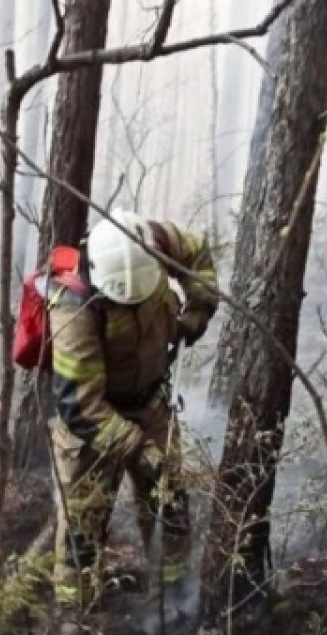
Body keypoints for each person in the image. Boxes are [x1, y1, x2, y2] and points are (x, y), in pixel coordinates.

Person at [47, 211, 218, 604]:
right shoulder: (73, 308)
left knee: (171, 504)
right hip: (92, 425)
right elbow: (81, 406)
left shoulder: (152, 240)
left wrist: (198, 309)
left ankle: (173, 599)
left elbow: (198, 253)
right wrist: (138, 449)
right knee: (82, 526)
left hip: (150, 402)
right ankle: (75, 612)